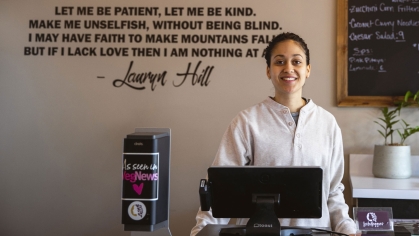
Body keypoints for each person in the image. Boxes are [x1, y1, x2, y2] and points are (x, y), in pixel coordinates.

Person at [190, 32, 357, 236]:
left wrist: (347, 228)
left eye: (297, 61)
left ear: (308, 70)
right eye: (280, 61)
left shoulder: (327, 123)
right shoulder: (246, 122)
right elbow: (220, 189)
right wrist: (201, 231)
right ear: (269, 71)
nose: (289, 68)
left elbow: (333, 192)